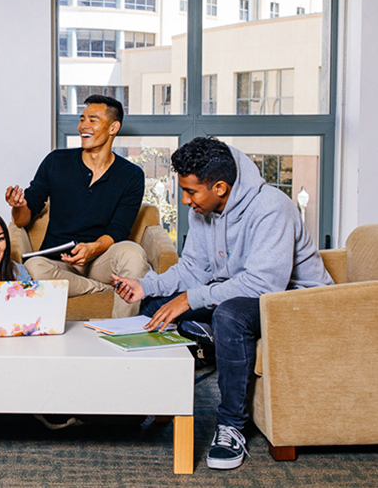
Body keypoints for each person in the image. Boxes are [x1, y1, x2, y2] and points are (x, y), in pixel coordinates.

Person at [112, 136, 333, 470]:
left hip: (295, 305)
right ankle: (163, 393)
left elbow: (263, 284)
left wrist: (190, 300)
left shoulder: (271, 208)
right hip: (245, 295)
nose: (185, 201)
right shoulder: (207, 209)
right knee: (155, 307)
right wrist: (146, 286)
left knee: (229, 315)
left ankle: (231, 426)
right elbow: (192, 268)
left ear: (219, 187)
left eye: (191, 192)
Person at [5, 94, 150, 318]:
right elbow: (23, 219)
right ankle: (100, 289)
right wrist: (18, 205)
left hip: (101, 260)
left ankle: (123, 331)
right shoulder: (56, 161)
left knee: (133, 252)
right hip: (58, 263)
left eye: (93, 120)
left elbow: (118, 230)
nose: (84, 126)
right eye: (82, 119)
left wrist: (93, 248)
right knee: (33, 267)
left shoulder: (131, 175)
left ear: (113, 127)